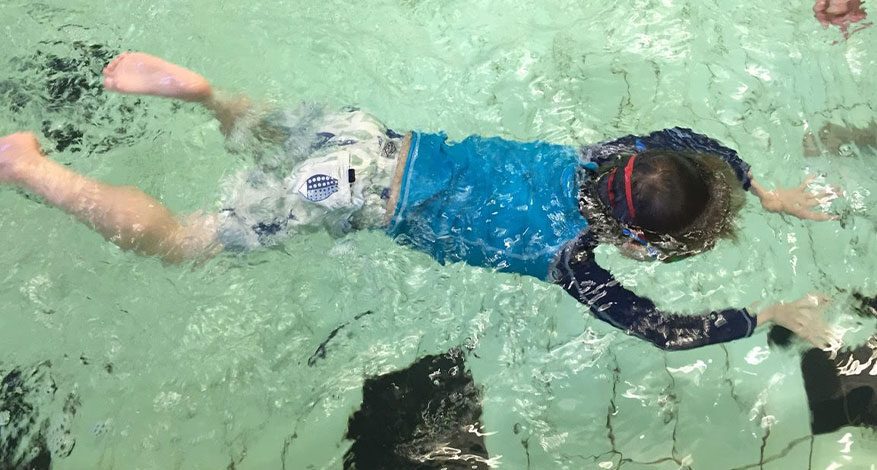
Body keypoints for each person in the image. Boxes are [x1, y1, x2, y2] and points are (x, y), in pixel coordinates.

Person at [0, 52, 838, 351]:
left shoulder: (606, 153)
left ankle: (207, 95)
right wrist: (768, 312)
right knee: (188, 241)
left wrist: (755, 184)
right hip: (352, 193)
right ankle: (33, 170)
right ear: (637, 242)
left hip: (373, 137)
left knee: (269, 134)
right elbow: (659, 331)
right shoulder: (573, 263)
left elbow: (692, 139)